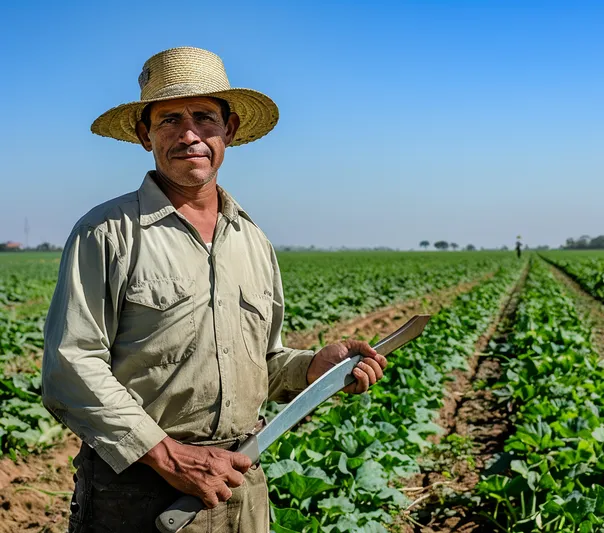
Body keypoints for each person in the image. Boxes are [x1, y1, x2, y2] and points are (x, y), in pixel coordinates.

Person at [41, 47, 387, 533]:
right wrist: (167, 455)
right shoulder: (107, 232)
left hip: (240, 483)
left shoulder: (253, 240)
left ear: (230, 130)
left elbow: (260, 361)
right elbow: (70, 365)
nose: (188, 135)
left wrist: (313, 367)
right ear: (145, 135)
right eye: (169, 120)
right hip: (140, 491)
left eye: (204, 117)